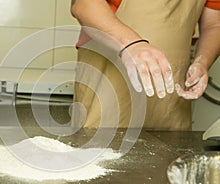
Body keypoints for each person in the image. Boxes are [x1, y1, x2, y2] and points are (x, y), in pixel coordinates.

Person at [70, 0, 220, 130]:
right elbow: (83, 5)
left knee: (166, 159)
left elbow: (214, 25)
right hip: (107, 90)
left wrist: (202, 62)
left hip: (170, 104)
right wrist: (132, 45)